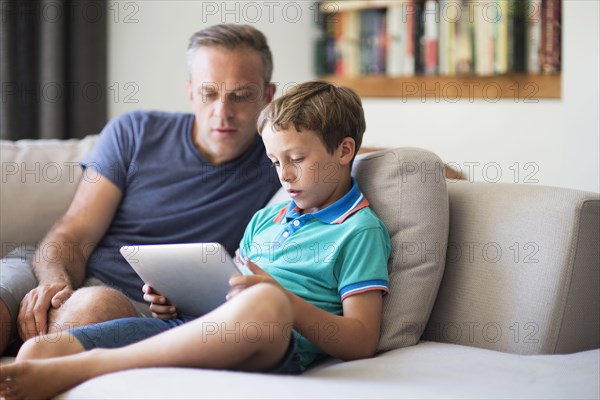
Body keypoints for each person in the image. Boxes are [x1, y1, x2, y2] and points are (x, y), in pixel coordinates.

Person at [0, 81, 391, 399]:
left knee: (265, 301)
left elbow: (360, 341)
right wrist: (175, 300)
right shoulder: (266, 218)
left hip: (274, 342)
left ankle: (91, 367)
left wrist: (284, 302)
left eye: (296, 160)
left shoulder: (358, 230)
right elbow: (228, 289)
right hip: (198, 326)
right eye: (275, 162)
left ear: (344, 151)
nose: (284, 175)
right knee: (38, 351)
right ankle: (79, 363)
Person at [0, 23, 281, 355]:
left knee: (93, 310)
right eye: (209, 93)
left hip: (135, 306)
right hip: (51, 271)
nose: (223, 112)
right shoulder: (135, 132)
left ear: (266, 95)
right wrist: (53, 283)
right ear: (190, 91)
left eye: (241, 95)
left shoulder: (280, 161)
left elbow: (343, 153)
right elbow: (74, 231)